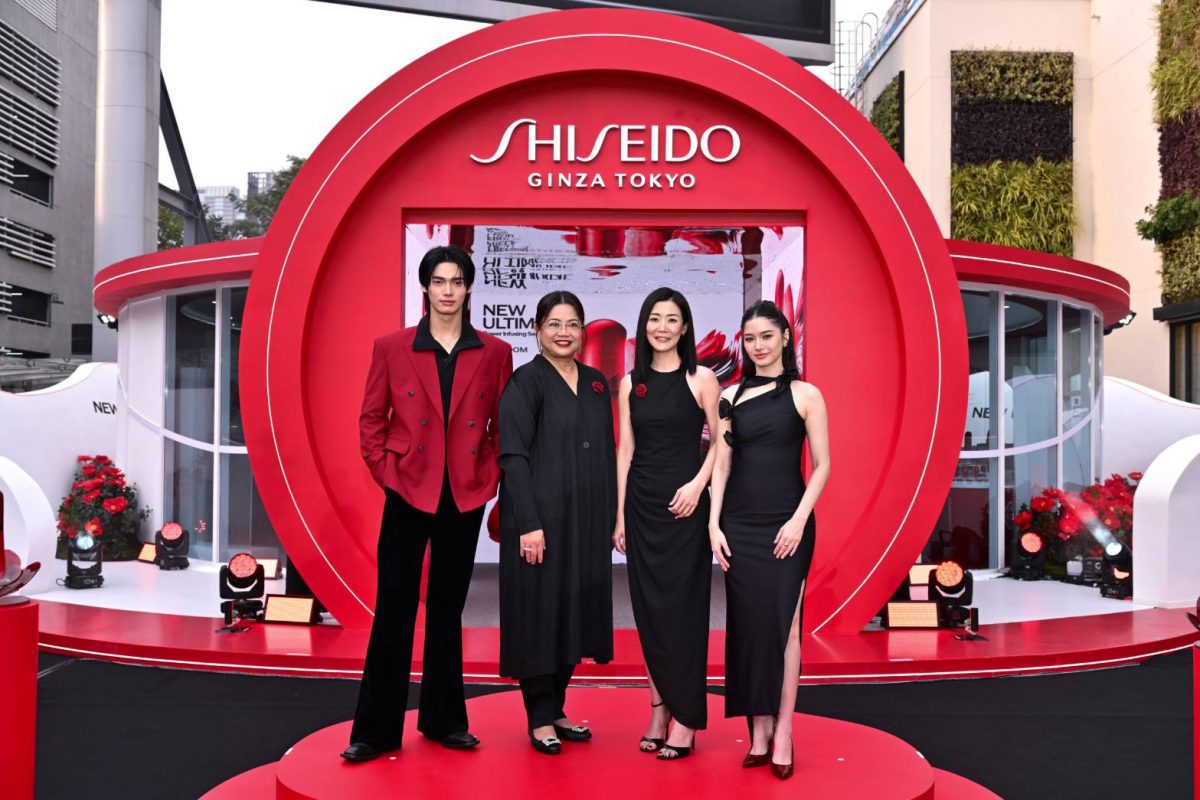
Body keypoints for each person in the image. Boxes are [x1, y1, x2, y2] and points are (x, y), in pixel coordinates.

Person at [343, 245, 513, 762]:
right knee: (393, 606)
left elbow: (503, 425)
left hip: (463, 492)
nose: (447, 290)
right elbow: (371, 419)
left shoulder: (494, 351)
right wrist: (386, 471)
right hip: (407, 488)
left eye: (457, 281)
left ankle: (445, 721)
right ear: (425, 287)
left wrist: (489, 476)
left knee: (447, 608)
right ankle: (374, 732)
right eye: (439, 281)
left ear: (468, 288)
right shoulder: (391, 347)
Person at [707, 300, 830, 780]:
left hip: (787, 523)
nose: (758, 346)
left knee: (786, 630)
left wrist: (798, 520)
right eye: (750, 338)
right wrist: (713, 525)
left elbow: (823, 465)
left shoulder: (806, 394)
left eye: (766, 336)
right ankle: (758, 731)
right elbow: (721, 464)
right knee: (748, 627)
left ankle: (784, 731)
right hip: (738, 525)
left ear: (784, 337)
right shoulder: (730, 396)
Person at [497, 291, 617, 755]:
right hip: (540, 523)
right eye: (554, 324)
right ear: (537, 330)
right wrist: (528, 523)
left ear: (582, 331)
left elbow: (606, 452)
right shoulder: (525, 382)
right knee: (540, 615)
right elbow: (513, 457)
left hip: (587, 522)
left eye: (572, 324)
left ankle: (557, 707)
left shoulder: (596, 383)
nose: (563, 333)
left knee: (575, 614)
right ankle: (539, 716)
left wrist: (612, 516)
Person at [613, 287, 720, 761]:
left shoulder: (702, 379)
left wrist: (698, 486)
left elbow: (722, 442)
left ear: (684, 327)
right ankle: (659, 712)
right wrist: (619, 515)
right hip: (642, 510)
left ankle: (687, 719)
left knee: (685, 613)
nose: (662, 327)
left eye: (671, 319)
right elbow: (626, 452)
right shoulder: (629, 383)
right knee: (649, 613)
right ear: (644, 325)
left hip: (687, 511)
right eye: (654, 318)